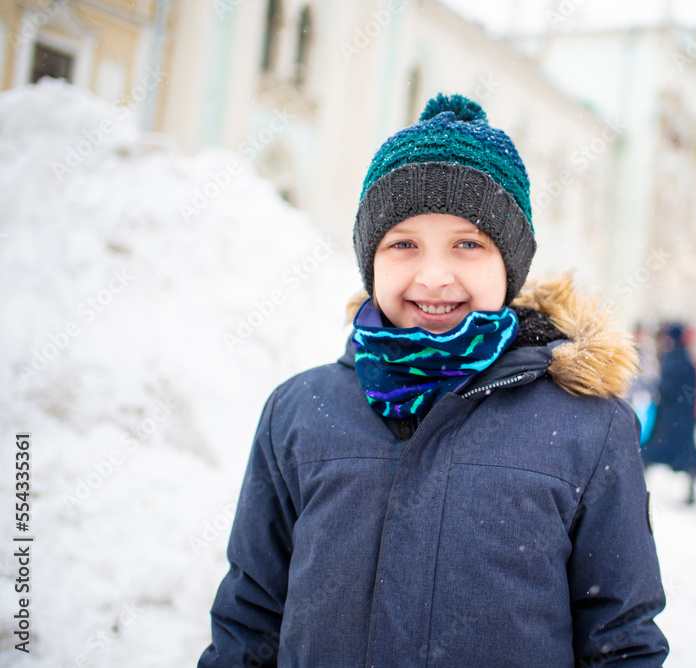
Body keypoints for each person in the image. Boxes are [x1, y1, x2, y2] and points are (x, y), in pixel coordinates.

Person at [198, 93, 668, 667]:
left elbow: (620, 640)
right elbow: (250, 620)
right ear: (371, 262)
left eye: (468, 244)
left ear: (510, 265)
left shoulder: (587, 429)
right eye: (403, 244)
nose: (434, 274)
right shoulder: (299, 412)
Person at [641, 323, 696, 505]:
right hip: (686, 417)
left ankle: (637, 488)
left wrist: (654, 390)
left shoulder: (671, 359)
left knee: (650, 452)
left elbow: (666, 388)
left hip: (668, 417)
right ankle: (691, 492)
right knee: (686, 454)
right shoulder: (689, 359)